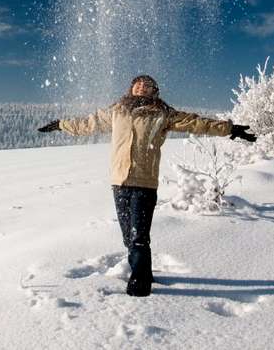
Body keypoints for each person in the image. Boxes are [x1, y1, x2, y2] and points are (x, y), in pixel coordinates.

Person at [37, 74, 256, 297]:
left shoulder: (163, 113)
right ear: (131, 88)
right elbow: (88, 124)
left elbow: (197, 122)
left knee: (139, 235)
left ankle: (141, 284)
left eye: (147, 85)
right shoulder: (117, 110)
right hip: (119, 180)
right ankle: (144, 271)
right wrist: (62, 125)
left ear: (154, 91)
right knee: (128, 236)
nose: (142, 87)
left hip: (144, 181)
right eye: (138, 84)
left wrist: (230, 129)